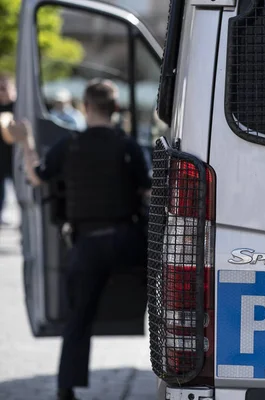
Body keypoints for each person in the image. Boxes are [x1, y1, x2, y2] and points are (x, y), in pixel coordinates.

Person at [7, 79, 150, 400]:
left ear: (85, 108)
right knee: (166, 295)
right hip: (128, 241)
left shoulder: (68, 146)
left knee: (79, 318)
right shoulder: (127, 145)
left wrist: (26, 141)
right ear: (115, 109)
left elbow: (36, 176)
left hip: (87, 246)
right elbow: (148, 191)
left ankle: (66, 387)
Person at [0, 73, 17, 226]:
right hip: (1, 156)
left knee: (20, 188)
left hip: (15, 155)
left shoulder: (19, 106)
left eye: (5, 87)